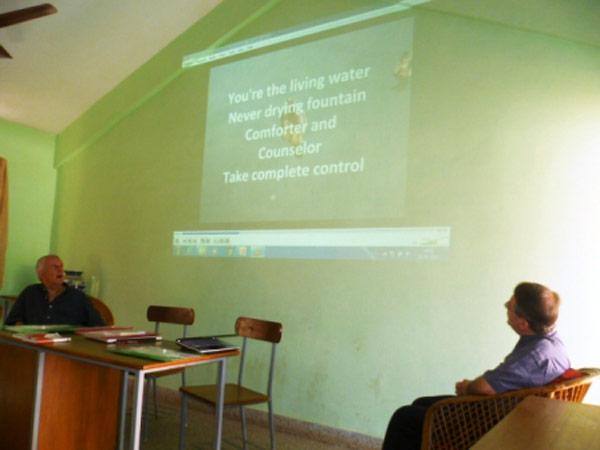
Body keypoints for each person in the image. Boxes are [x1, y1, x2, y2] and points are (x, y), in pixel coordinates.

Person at [382, 282, 570, 450]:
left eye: (510, 306)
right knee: (420, 403)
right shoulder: (551, 343)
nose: (505, 306)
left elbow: (485, 388)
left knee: (404, 417)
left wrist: (468, 387)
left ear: (523, 323)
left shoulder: (534, 355)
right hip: (513, 415)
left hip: (495, 424)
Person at [5, 254, 105, 326]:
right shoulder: (30, 293)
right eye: (55, 267)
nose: (60, 270)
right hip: (33, 344)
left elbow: (99, 327)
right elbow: (13, 321)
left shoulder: (78, 297)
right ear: (41, 273)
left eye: (61, 266)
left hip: (66, 346)